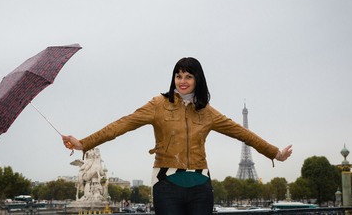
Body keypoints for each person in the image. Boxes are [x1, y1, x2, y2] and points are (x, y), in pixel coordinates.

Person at [62, 57, 292, 215]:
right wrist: (84, 143)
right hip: (167, 185)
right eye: (178, 75)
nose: (182, 81)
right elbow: (123, 124)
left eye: (188, 76)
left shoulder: (207, 111)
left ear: (197, 80)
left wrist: (275, 153)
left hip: (201, 185)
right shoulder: (158, 105)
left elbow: (243, 133)